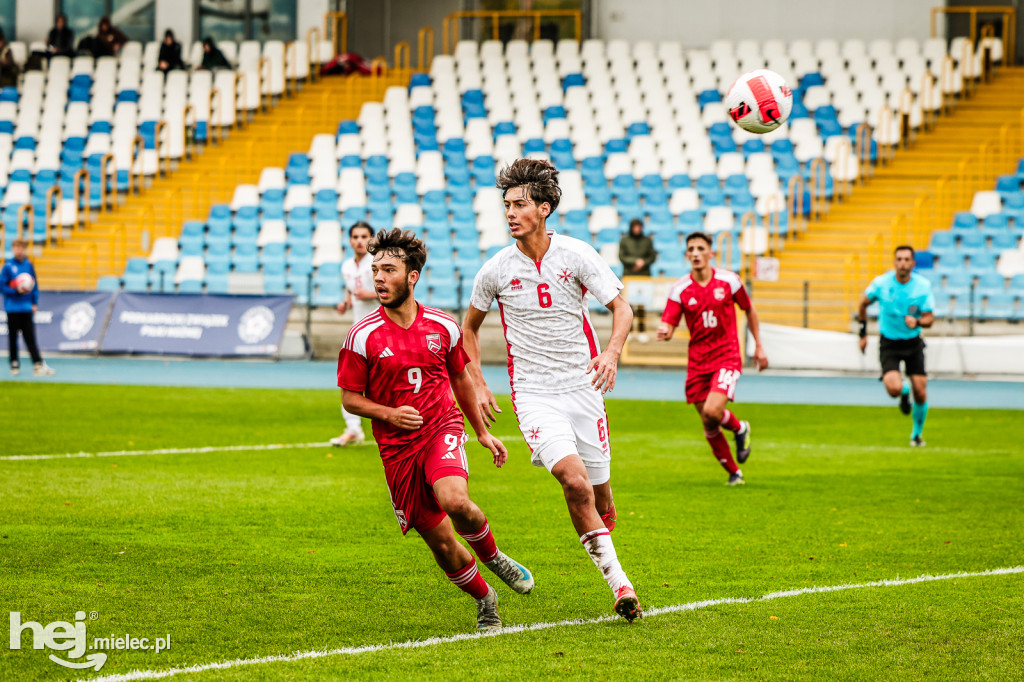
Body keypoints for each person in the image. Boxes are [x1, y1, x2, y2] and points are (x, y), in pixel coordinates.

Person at [463, 158, 642, 623]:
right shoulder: (496, 269)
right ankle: (620, 585)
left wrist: (611, 353)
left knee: (600, 497)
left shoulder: (577, 254)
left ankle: (603, 520)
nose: (510, 212)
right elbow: (469, 329)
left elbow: (622, 309)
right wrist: (479, 383)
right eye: (506, 204)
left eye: (520, 204)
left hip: (584, 388)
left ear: (544, 208)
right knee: (574, 482)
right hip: (534, 393)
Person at [337, 228, 534, 631]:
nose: (378, 277)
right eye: (375, 269)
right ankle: (485, 598)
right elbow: (350, 399)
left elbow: (460, 379)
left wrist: (480, 432)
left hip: (440, 426)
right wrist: (390, 414)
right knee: (441, 542)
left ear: (412, 276)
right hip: (396, 449)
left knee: (455, 499)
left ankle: (495, 558)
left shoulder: (443, 326)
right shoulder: (361, 336)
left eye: (388, 269)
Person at [656, 231, 768, 485]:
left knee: (712, 410)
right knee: (709, 421)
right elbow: (669, 322)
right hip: (697, 362)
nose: (695, 253)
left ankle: (739, 429)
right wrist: (665, 331)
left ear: (710, 253)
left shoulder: (730, 281)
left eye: (700, 248)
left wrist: (759, 346)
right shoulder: (680, 289)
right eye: (691, 249)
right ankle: (734, 471)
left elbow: (749, 310)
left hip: (727, 356)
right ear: (687, 255)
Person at [857, 245, 935, 447]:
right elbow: (863, 303)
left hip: (913, 342)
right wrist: (863, 333)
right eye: (899, 259)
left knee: (921, 391)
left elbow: (929, 318)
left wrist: (917, 322)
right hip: (889, 342)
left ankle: (916, 435)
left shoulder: (922, 286)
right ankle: (903, 390)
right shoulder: (881, 283)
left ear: (913, 263)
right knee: (893, 389)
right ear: (894, 262)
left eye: (907, 259)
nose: (902, 263)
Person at [330, 222, 380, 447]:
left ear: (371, 239)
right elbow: (352, 291)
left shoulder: (378, 263)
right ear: (350, 240)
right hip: (358, 331)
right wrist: (346, 303)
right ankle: (353, 429)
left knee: (383, 382)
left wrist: (369, 294)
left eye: (364, 236)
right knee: (348, 381)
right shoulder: (346, 266)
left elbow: (394, 294)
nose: (360, 240)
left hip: (380, 329)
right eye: (355, 237)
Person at [2, 239, 55, 376]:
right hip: (12, 308)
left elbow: (34, 285)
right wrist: (15, 291)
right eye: (16, 248)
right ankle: (14, 363)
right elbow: (2, 286)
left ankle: (37, 364)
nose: (19, 250)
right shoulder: (8, 266)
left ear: (24, 249)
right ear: (13, 249)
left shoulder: (28, 265)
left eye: (21, 248)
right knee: (13, 338)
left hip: (26, 308)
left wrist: (34, 302)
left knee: (30, 338)